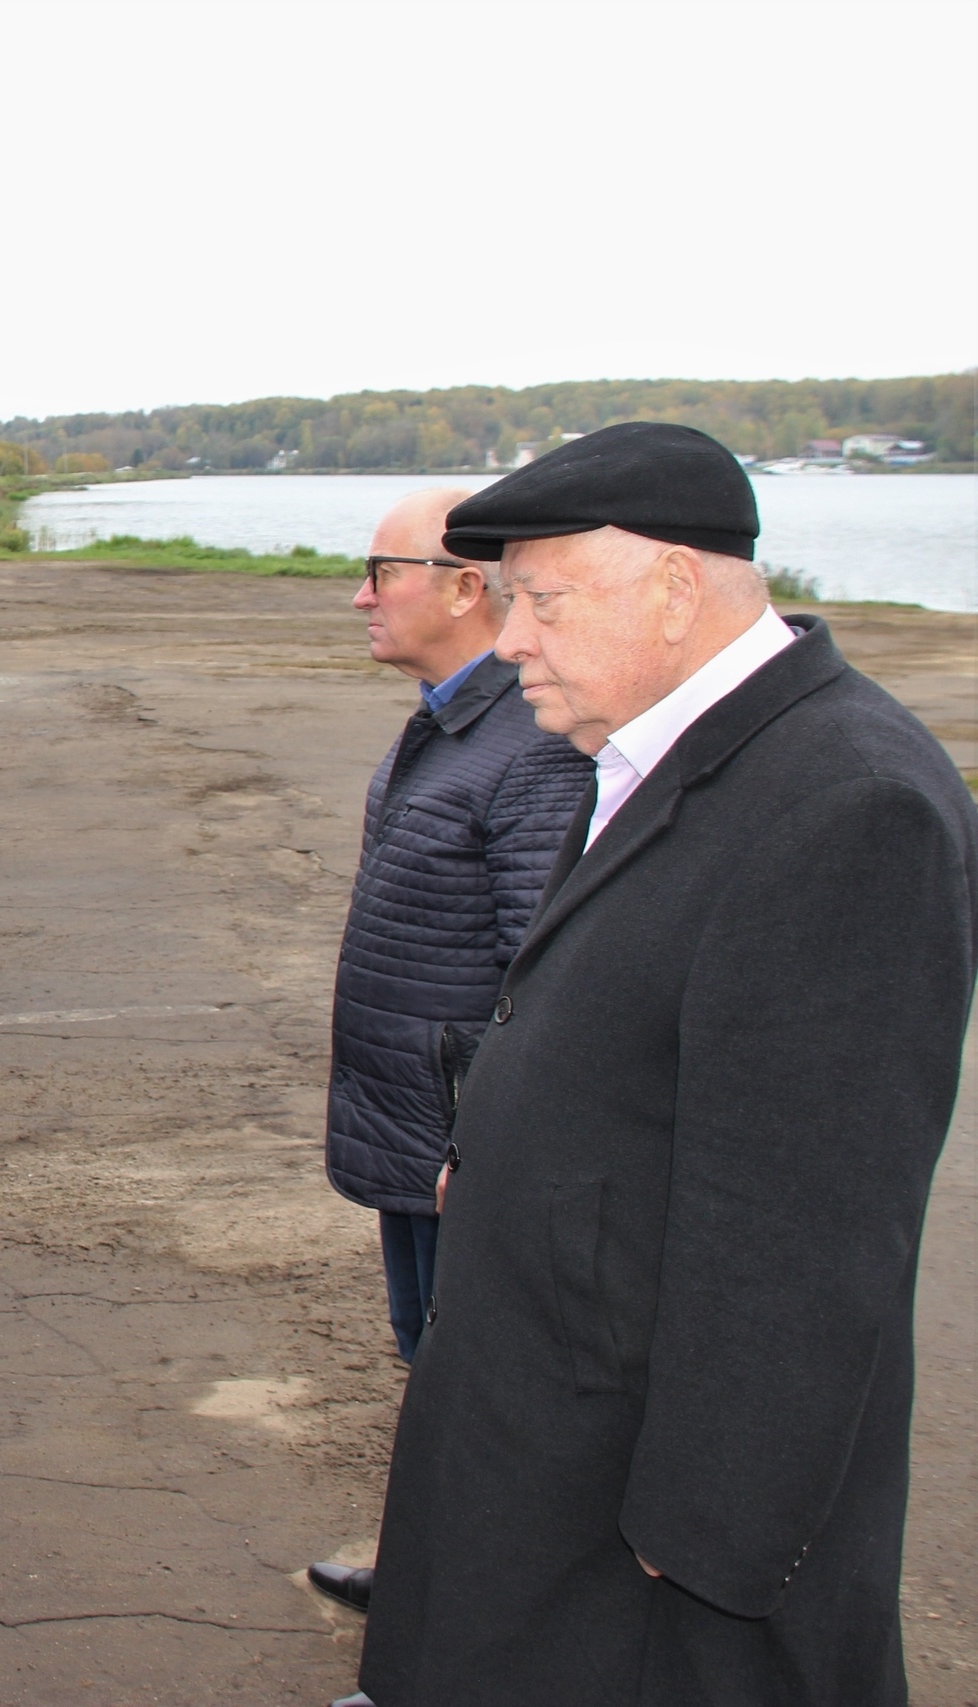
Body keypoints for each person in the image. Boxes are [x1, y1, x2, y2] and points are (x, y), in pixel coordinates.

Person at [351, 422, 978, 1707]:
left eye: (539, 598)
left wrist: (702, 1545)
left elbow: (805, 1240)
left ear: (677, 588)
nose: (511, 635)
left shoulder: (846, 805)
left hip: (641, 1532)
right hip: (550, 1423)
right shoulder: (655, 746)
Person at [303, 489, 592, 1618]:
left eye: (382, 571)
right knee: (436, 1369)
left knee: (487, 1390)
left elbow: (545, 981)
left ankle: (472, 1621)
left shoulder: (531, 750)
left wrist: (481, 1144)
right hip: (420, 1129)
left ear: (467, 586)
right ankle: (437, 1578)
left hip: (462, 1144)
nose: (359, 595)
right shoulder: (450, 720)